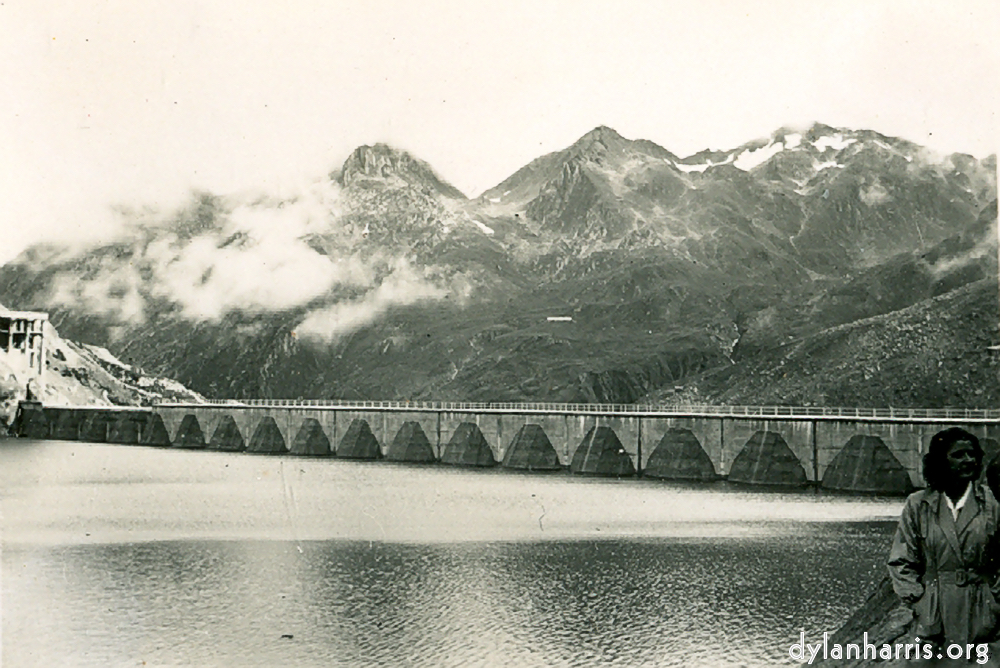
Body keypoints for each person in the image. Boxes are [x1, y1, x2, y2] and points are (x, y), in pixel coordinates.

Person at [888, 427, 1000, 651]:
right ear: (941, 461)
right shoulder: (918, 504)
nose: (967, 460)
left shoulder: (993, 503)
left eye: (972, 454)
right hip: (933, 618)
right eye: (958, 455)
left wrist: (994, 599)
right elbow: (901, 562)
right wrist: (919, 603)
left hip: (982, 615)